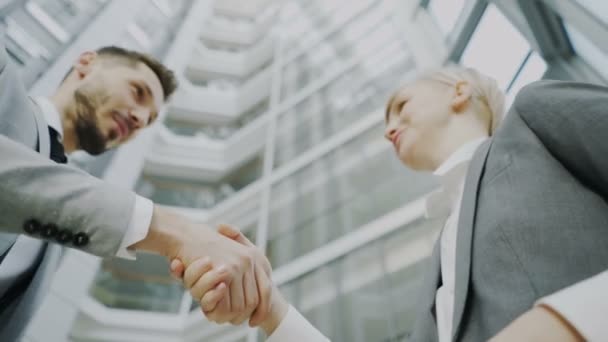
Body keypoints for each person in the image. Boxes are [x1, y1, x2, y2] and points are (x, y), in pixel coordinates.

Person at [174, 67, 608, 341]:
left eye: (400, 107)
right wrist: (271, 311)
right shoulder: (439, 264)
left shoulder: (533, 118)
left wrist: (570, 322)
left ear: (459, 92)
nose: (389, 130)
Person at [0, 37, 273, 341]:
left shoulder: (59, 240)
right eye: (137, 91)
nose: (140, 118)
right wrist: (176, 233)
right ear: (86, 63)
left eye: (149, 119)